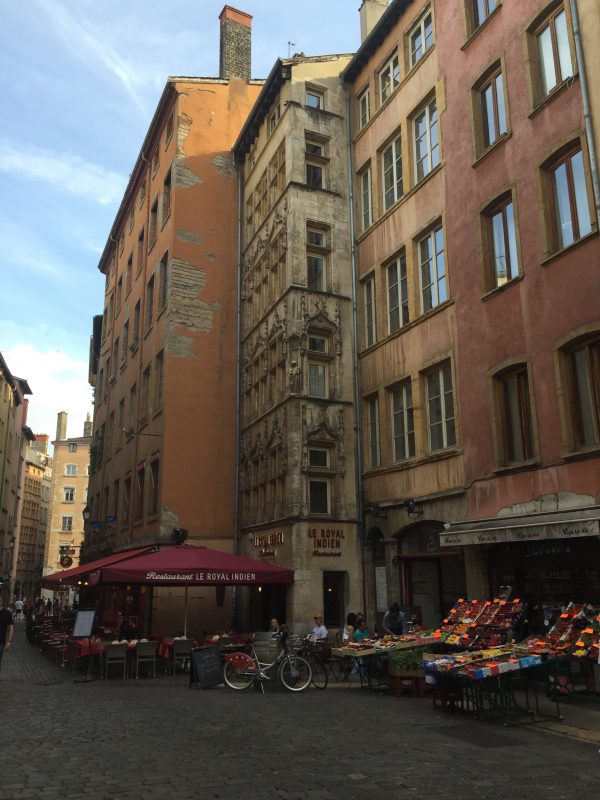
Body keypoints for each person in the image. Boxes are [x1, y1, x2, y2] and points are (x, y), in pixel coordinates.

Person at [0, 596, 15, 671]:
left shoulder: (6, 613)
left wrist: (9, 641)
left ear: (1, 602)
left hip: (0, 642)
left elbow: (11, 627)